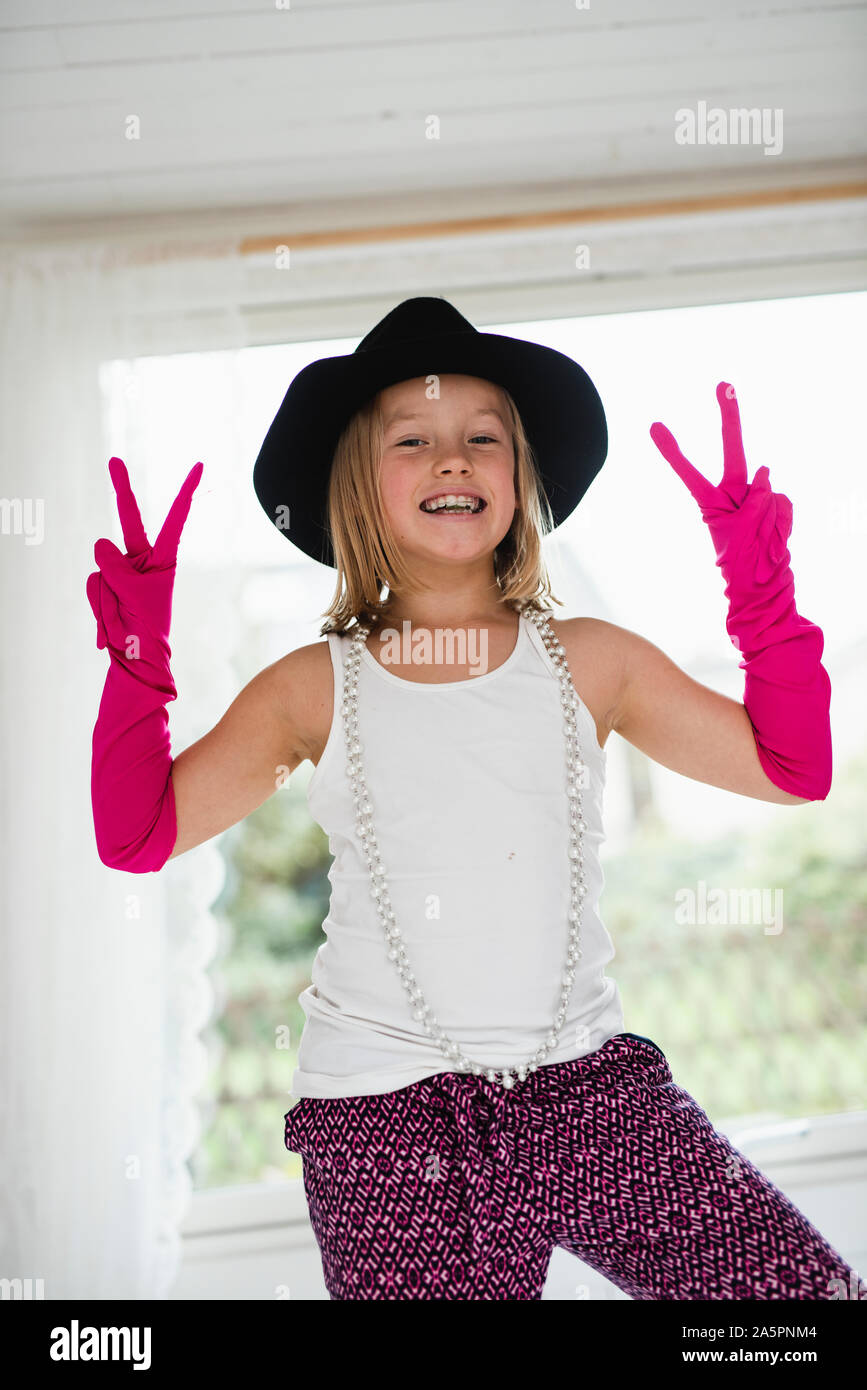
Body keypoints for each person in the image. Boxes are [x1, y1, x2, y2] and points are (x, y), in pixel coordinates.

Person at [88, 296, 859, 1301]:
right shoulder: (312, 688)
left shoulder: (594, 661)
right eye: (414, 438)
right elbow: (140, 834)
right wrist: (137, 654)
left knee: (798, 1304)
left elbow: (791, 767)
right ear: (359, 487)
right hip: (386, 1117)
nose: (454, 458)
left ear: (520, 477)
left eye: (482, 438)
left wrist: (760, 588)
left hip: (588, 1089)